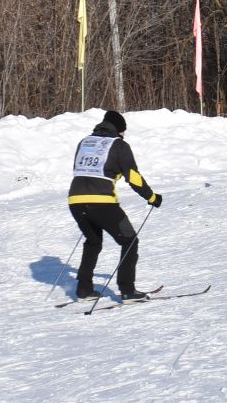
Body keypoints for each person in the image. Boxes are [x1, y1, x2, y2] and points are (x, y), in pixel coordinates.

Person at [67, 109, 161, 301]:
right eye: (123, 131)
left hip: (75, 201)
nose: (124, 135)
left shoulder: (84, 142)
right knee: (129, 241)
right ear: (119, 129)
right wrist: (151, 197)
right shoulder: (119, 145)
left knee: (93, 242)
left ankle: (84, 289)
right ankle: (127, 290)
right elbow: (133, 177)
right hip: (102, 202)